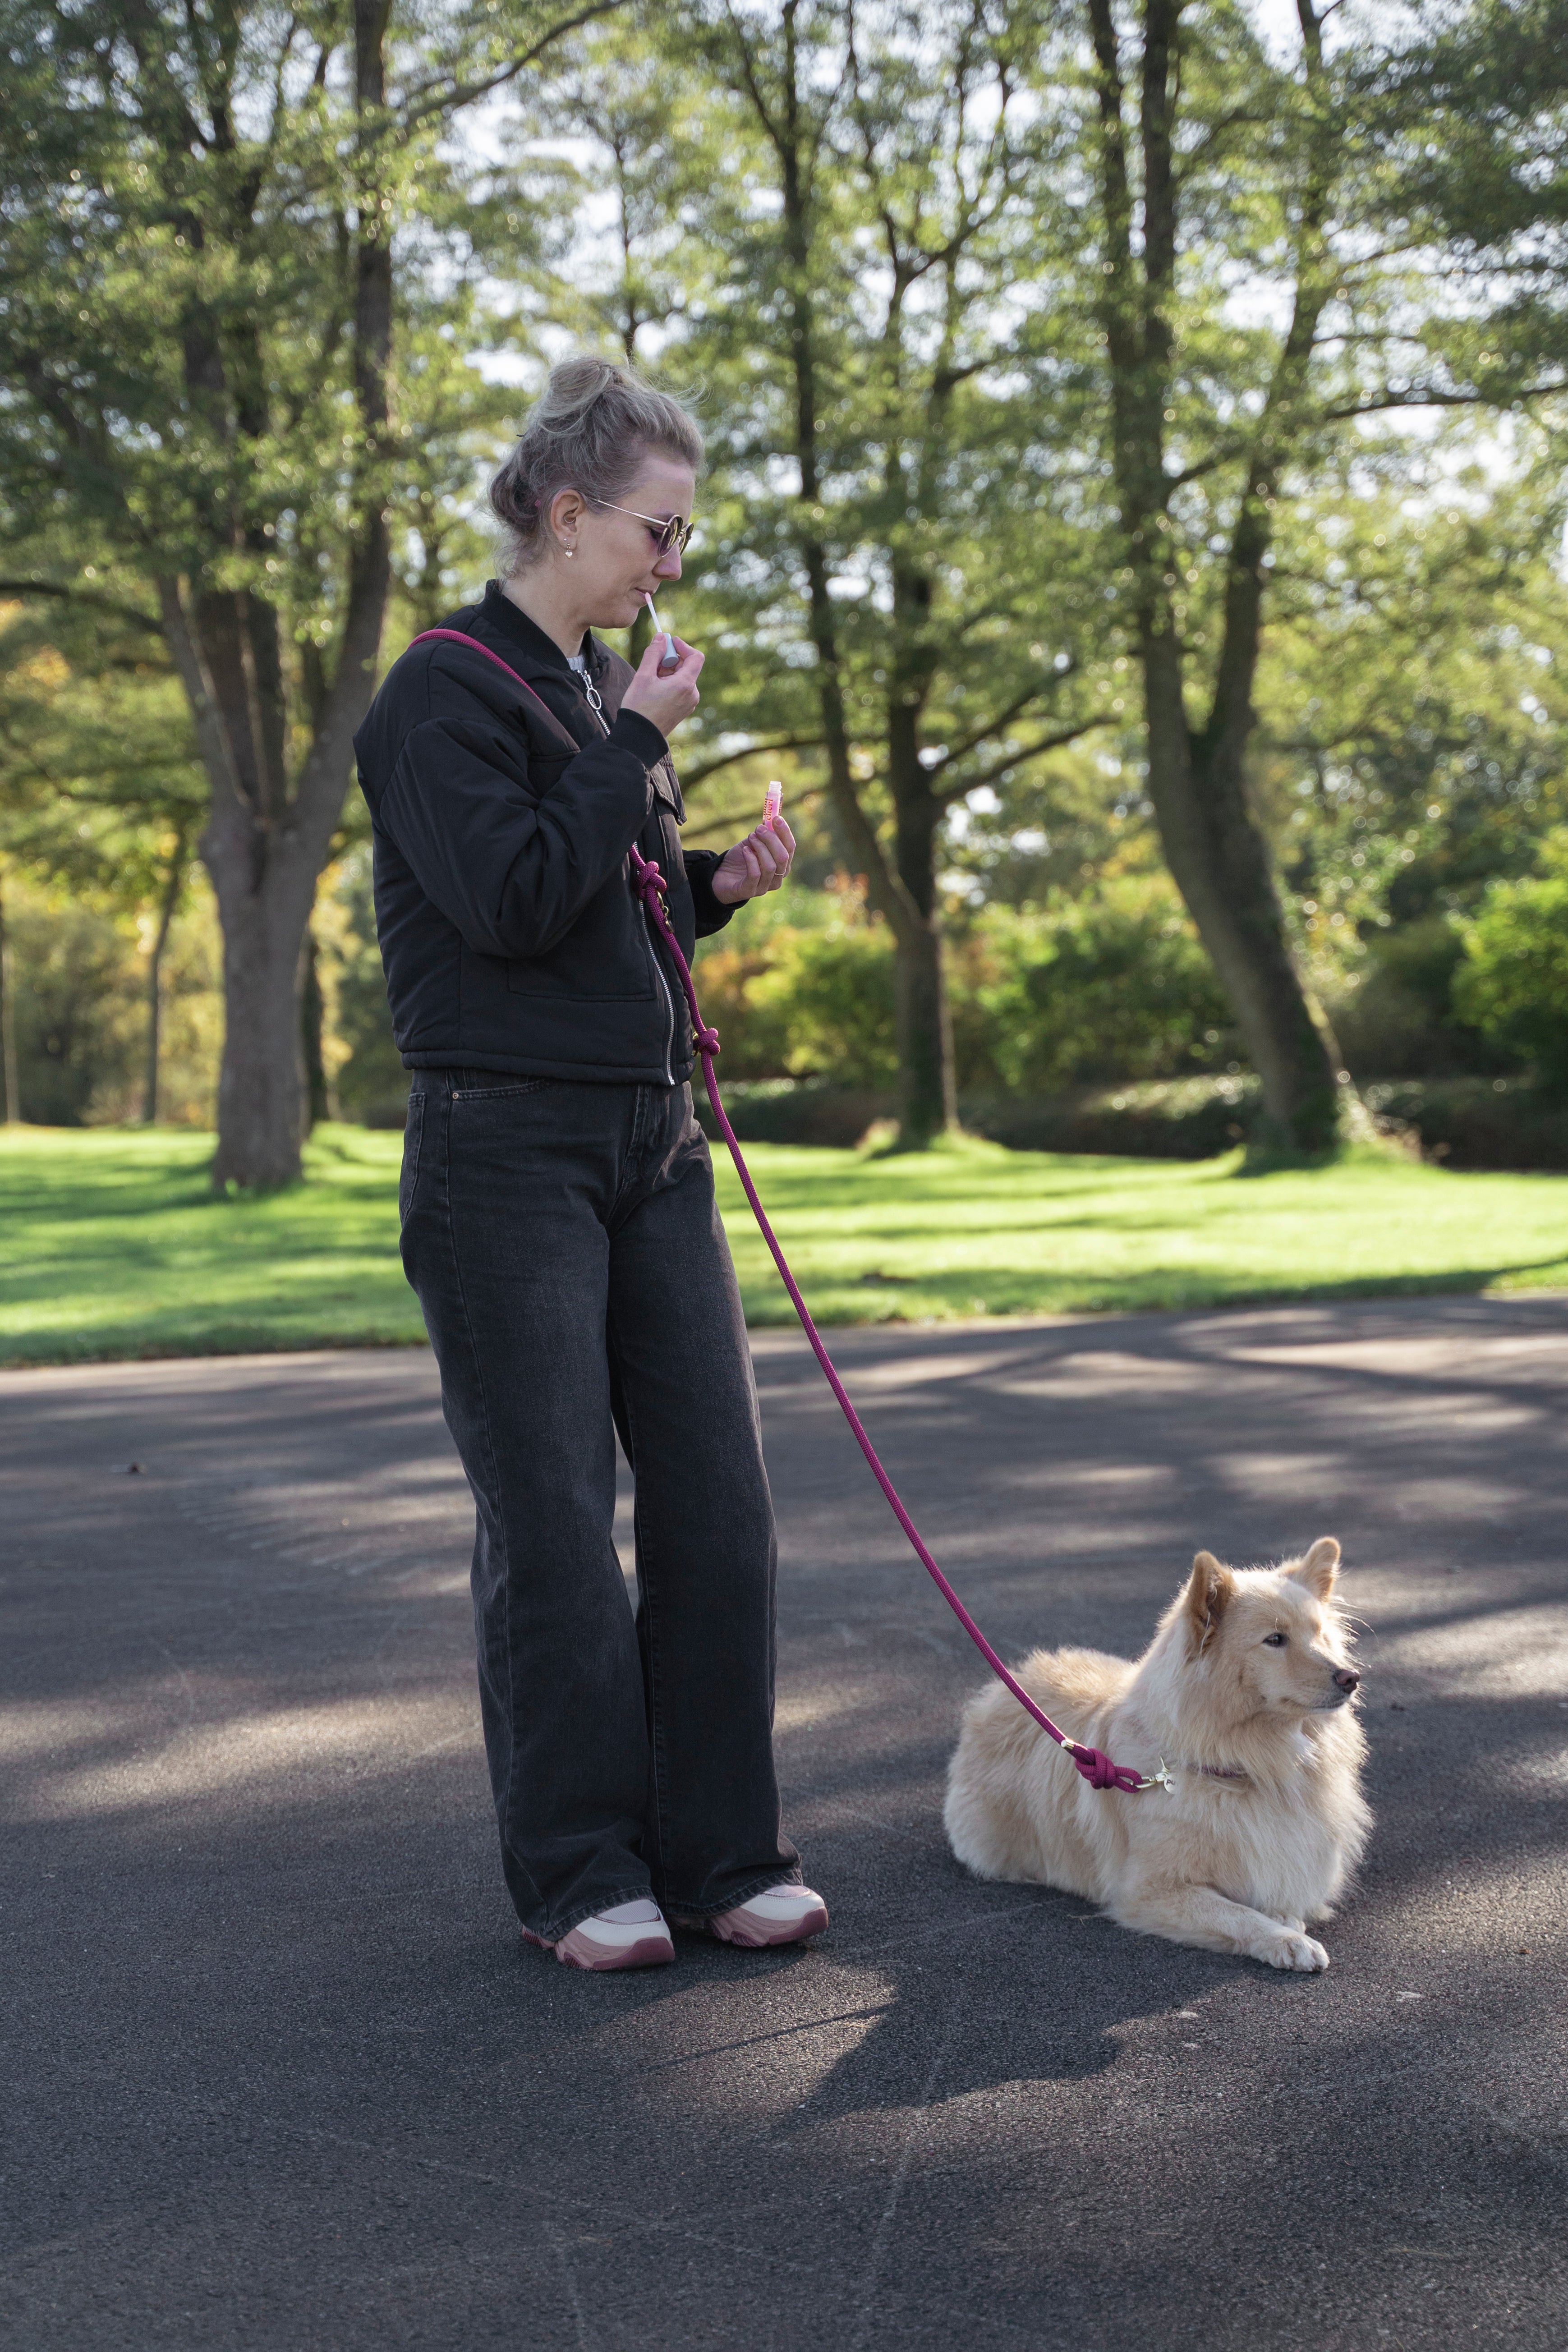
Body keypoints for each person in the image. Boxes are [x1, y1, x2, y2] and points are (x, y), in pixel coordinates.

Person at [353, 357, 826, 1971]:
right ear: (568, 515)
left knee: (718, 1506)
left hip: (652, 1144)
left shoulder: (588, 697)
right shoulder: (442, 692)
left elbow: (600, 911)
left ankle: (720, 1852)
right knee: (556, 1521)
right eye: (656, 531)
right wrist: (632, 739)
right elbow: (505, 905)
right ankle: (580, 1870)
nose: (669, 567)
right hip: (501, 1156)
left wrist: (714, 887)